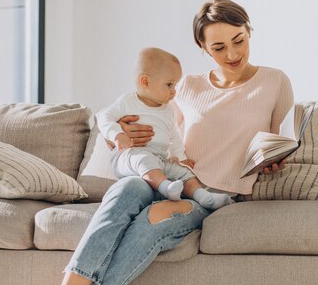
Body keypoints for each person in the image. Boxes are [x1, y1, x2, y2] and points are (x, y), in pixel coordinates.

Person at [11, 0, 294, 285]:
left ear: (248, 31)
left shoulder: (274, 81)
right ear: (203, 48)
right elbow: (162, 135)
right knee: (125, 190)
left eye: (239, 40)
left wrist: (274, 160)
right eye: (219, 47)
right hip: (162, 175)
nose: (233, 54)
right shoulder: (185, 86)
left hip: (206, 194)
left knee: (151, 221)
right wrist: (128, 131)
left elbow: (281, 138)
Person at [97, 47, 233, 209]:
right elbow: (104, 117)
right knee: (143, 158)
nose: (174, 91)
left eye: (175, 85)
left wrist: (180, 157)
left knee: (183, 173)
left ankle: (202, 196)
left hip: (159, 159)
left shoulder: (167, 110)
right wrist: (117, 135)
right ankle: (166, 188)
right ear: (145, 82)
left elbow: (173, 135)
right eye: (169, 85)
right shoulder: (127, 101)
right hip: (128, 157)